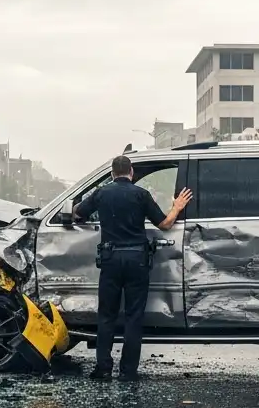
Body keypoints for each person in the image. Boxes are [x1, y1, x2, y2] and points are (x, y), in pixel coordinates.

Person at [71, 155, 192, 382]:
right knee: (133, 317)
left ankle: (104, 368)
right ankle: (128, 372)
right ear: (131, 172)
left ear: (112, 173)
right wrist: (176, 207)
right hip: (137, 260)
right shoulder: (141, 195)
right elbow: (165, 224)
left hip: (111, 260)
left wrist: (79, 204)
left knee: (106, 316)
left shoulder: (101, 193)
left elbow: (78, 213)